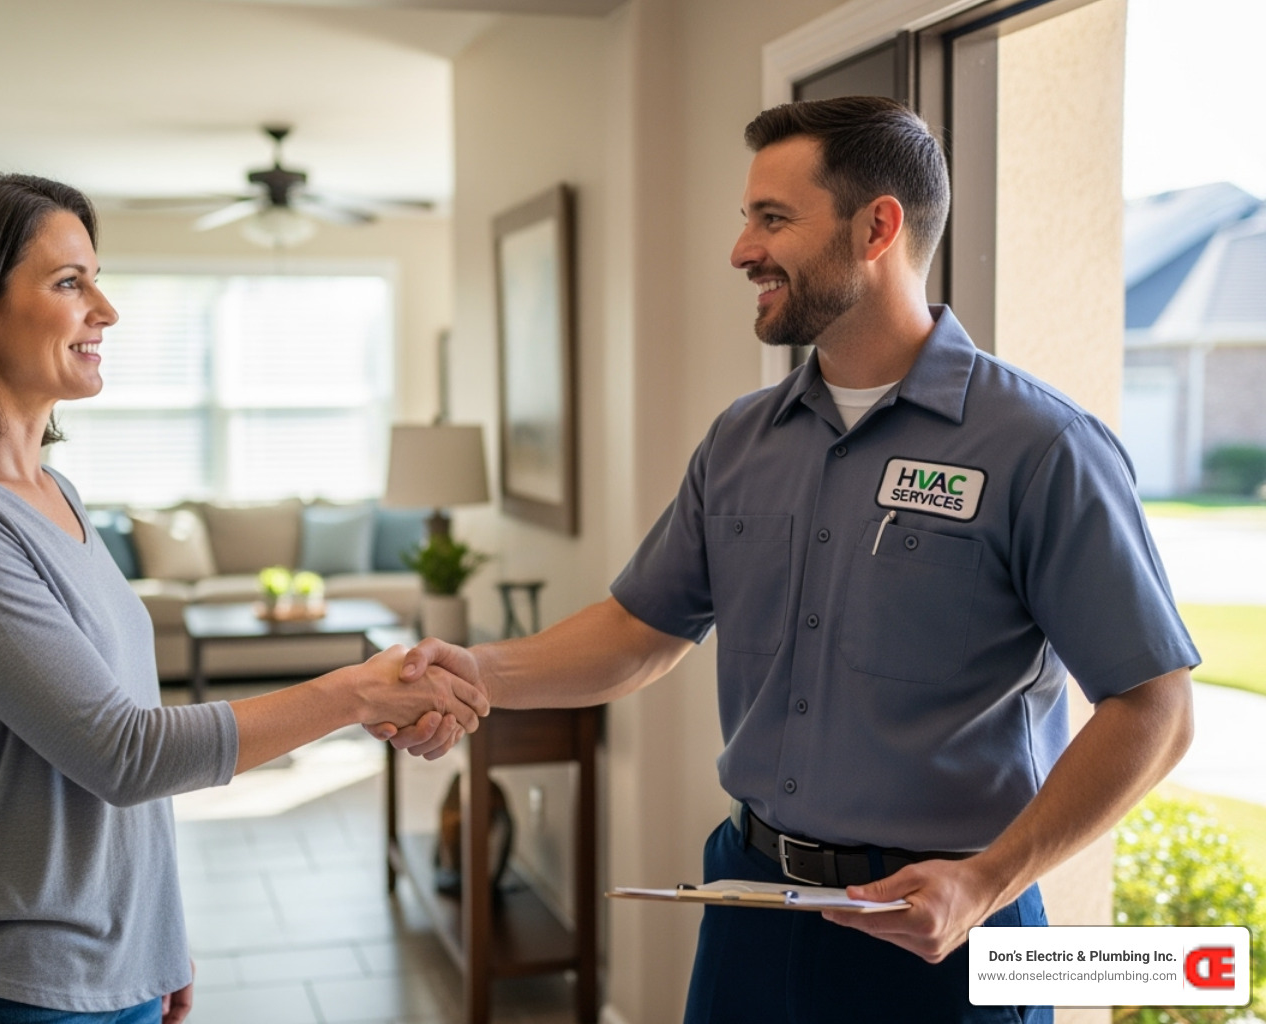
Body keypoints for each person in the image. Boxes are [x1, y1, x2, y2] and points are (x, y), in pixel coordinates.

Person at [378, 96, 1198, 1023]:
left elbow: (1155, 708)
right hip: (751, 901)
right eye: (745, 219)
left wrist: (987, 881)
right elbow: (641, 630)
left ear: (877, 226)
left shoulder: (1042, 447)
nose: (741, 251)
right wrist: (476, 672)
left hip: (944, 928)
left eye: (773, 219)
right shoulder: (740, 441)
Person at [0, 171, 487, 1024]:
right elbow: (124, 753)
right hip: (6, 987)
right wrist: (355, 690)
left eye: (97, 278)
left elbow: (115, 746)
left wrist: (157, 936)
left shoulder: (57, 492)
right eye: (70, 282)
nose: (106, 311)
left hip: (118, 971)